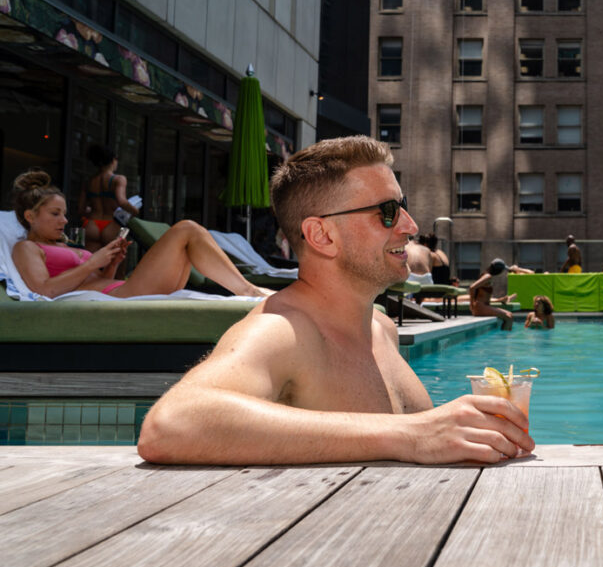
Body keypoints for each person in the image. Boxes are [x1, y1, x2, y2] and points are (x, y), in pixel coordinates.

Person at [137, 136, 534, 465]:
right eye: (387, 212)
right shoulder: (283, 331)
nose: (410, 227)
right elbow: (170, 424)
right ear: (322, 235)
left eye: (403, 207)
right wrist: (411, 435)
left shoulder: (382, 327)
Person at [11, 169, 271, 299]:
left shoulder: (66, 246)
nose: (64, 220)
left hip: (120, 288)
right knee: (186, 230)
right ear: (30, 216)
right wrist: (93, 261)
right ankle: (248, 291)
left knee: (188, 239)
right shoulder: (26, 249)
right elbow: (43, 290)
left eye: (64, 213)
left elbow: (92, 280)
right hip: (121, 296)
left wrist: (110, 263)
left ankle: (247, 290)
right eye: (55, 214)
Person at [78, 144, 139, 252]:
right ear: (113, 160)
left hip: (91, 224)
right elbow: (122, 201)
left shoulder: (88, 182)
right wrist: (135, 210)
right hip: (111, 223)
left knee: (90, 264)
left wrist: (90, 211)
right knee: (117, 261)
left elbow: (80, 209)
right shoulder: (118, 179)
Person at [468, 258, 533, 330]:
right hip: (480, 307)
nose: (502, 272)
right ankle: (505, 337)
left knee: (510, 315)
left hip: (483, 306)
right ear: (498, 270)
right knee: (508, 318)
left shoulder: (487, 275)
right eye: (502, 270)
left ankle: (505, 335)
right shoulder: (488, 276)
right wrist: (471, 305)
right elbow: (472, 287)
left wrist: (516, 269)